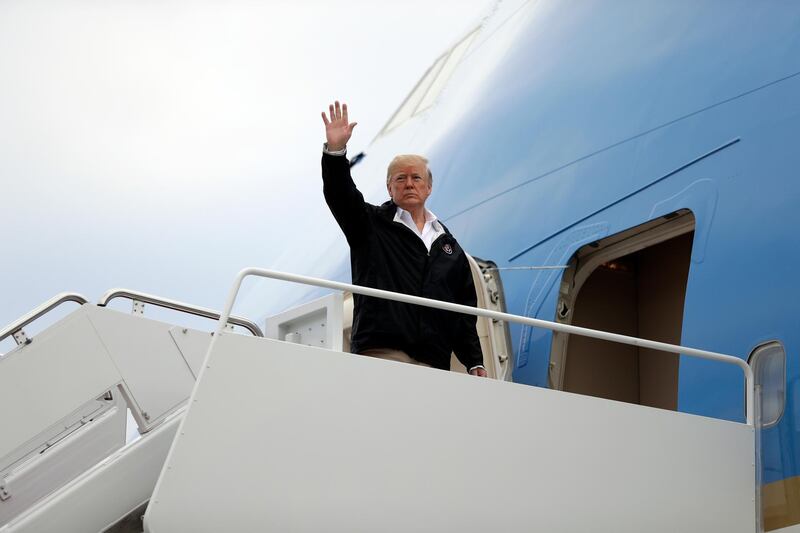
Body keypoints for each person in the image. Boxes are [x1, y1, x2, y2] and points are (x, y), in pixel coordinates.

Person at [320, 100, 487, 377]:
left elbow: (462, 312)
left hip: (435, 361)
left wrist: (474, 360)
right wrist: (336, 152)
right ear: (389, 187)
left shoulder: (449, 248)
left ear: (429, 187)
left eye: (416, 178)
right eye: (400, 178)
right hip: (383, 352)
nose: (409, 184)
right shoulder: (370, 225)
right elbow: (340, 193)